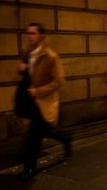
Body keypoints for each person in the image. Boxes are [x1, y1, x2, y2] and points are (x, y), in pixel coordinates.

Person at [17, 22, 71, 179]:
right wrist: (20, 69)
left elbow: (59, 81)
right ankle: (65, 139)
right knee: (45, 131)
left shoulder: (50, 56)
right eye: (28, 33)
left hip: (44, 102)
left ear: (41, 35)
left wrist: (39, 91)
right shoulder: (26, 52)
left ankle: (29, 169)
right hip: (31, 101)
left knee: (33, 136)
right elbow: (28, 75)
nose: (29, 36)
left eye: (33, 33)